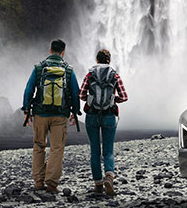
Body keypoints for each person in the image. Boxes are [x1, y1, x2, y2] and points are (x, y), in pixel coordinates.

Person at [22, 39, 81, 193]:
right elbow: (75, 93)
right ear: (63, 52)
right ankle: (52, 184)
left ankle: (39, 182)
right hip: (60, 116)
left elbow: (29, 90)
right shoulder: (68, 70)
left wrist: (27, 111)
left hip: (40, 114)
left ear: (50, 51)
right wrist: (75, 112)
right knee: (56, 148)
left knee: (39, 146)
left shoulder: (39, 68)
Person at [79, 48, 128, 196]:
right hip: (109, 115)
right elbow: (124, 96)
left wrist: (91, 100)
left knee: (94, 151)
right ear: (109, 60)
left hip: (92, 115)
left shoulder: (90, 74)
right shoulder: (114, 75)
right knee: (108, 151)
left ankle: (98, 185)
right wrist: (113, 100)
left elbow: (82, 94)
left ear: (96, 60)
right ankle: (109, 177)